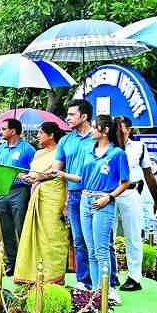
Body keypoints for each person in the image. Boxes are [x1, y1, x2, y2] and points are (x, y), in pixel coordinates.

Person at [57, 115, 130, 304]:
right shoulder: (89, 151)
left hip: (103, 201)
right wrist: (62, 174)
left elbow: (125, 182)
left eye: (95, 128)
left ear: (105, 131)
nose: (92, 131)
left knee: (101, 248)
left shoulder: (117, 154)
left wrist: (109, 197)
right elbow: (81, 177)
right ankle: (95, 291)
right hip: (85, 199)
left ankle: (106, 289)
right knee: (90, 249)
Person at [112, 116, 157, 292]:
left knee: (133, 235)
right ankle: (110, 275)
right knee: (107, 235)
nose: (117, 131)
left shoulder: (139, 147)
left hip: (131, 192)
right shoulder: (106, 146)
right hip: (109, 194)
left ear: (129, 129)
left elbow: (149, 175)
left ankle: (134, 277)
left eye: (120, 128)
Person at [14, 122, 69, 284]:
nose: (37, 136)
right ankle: (32, 275)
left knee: (53, 235)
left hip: (55, 195)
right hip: (37, 195)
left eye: (40, 133)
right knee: (35, 235)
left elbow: (58, 174)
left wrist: (65, 203)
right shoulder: (38, 154)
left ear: (51, 135)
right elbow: (33, 175)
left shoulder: (62, 152)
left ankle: (54, 277)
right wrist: (24, 177)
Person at [52, 99, 98, 290]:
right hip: (73, 195)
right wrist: (36, 177)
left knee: (98, 242)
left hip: (96, 195)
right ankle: (84, 280)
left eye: (72, 114)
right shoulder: (65, 140)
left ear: (84, 116)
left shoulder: (98, 137)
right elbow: (56, 168)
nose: (67, 118)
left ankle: (107, 283)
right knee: (79, 240)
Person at [0, 118, 36, 275]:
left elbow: (35, 172)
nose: (0, 131)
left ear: (13, 131)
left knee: (21, 227)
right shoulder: (0, 149)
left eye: (3, 129)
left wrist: (25, 176)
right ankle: (12, 262)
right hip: (3, 191)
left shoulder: (28, 149)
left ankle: (26, 264)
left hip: (20, 191)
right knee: (6, 229)